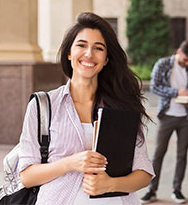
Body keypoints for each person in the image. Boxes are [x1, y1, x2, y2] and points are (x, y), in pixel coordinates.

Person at [18, 12, 155, 205]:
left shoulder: (123, 105)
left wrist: (110, 184)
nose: (89, 54)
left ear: (106, 58)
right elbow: (26, 176)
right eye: (81, 45)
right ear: (69, 53)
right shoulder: (43, 105)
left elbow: (143, 173)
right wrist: (69, 163)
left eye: (98, 48)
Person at [140, 41, 188, 204]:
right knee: (158, 154)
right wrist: (176, 92)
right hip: (167, 115)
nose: (187, 63)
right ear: (179, 51)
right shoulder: (163, 64)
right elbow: (154, 87)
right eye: (186, 59)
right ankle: (152, 190)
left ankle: (177, 190)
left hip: (186, 118)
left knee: (182, 155)